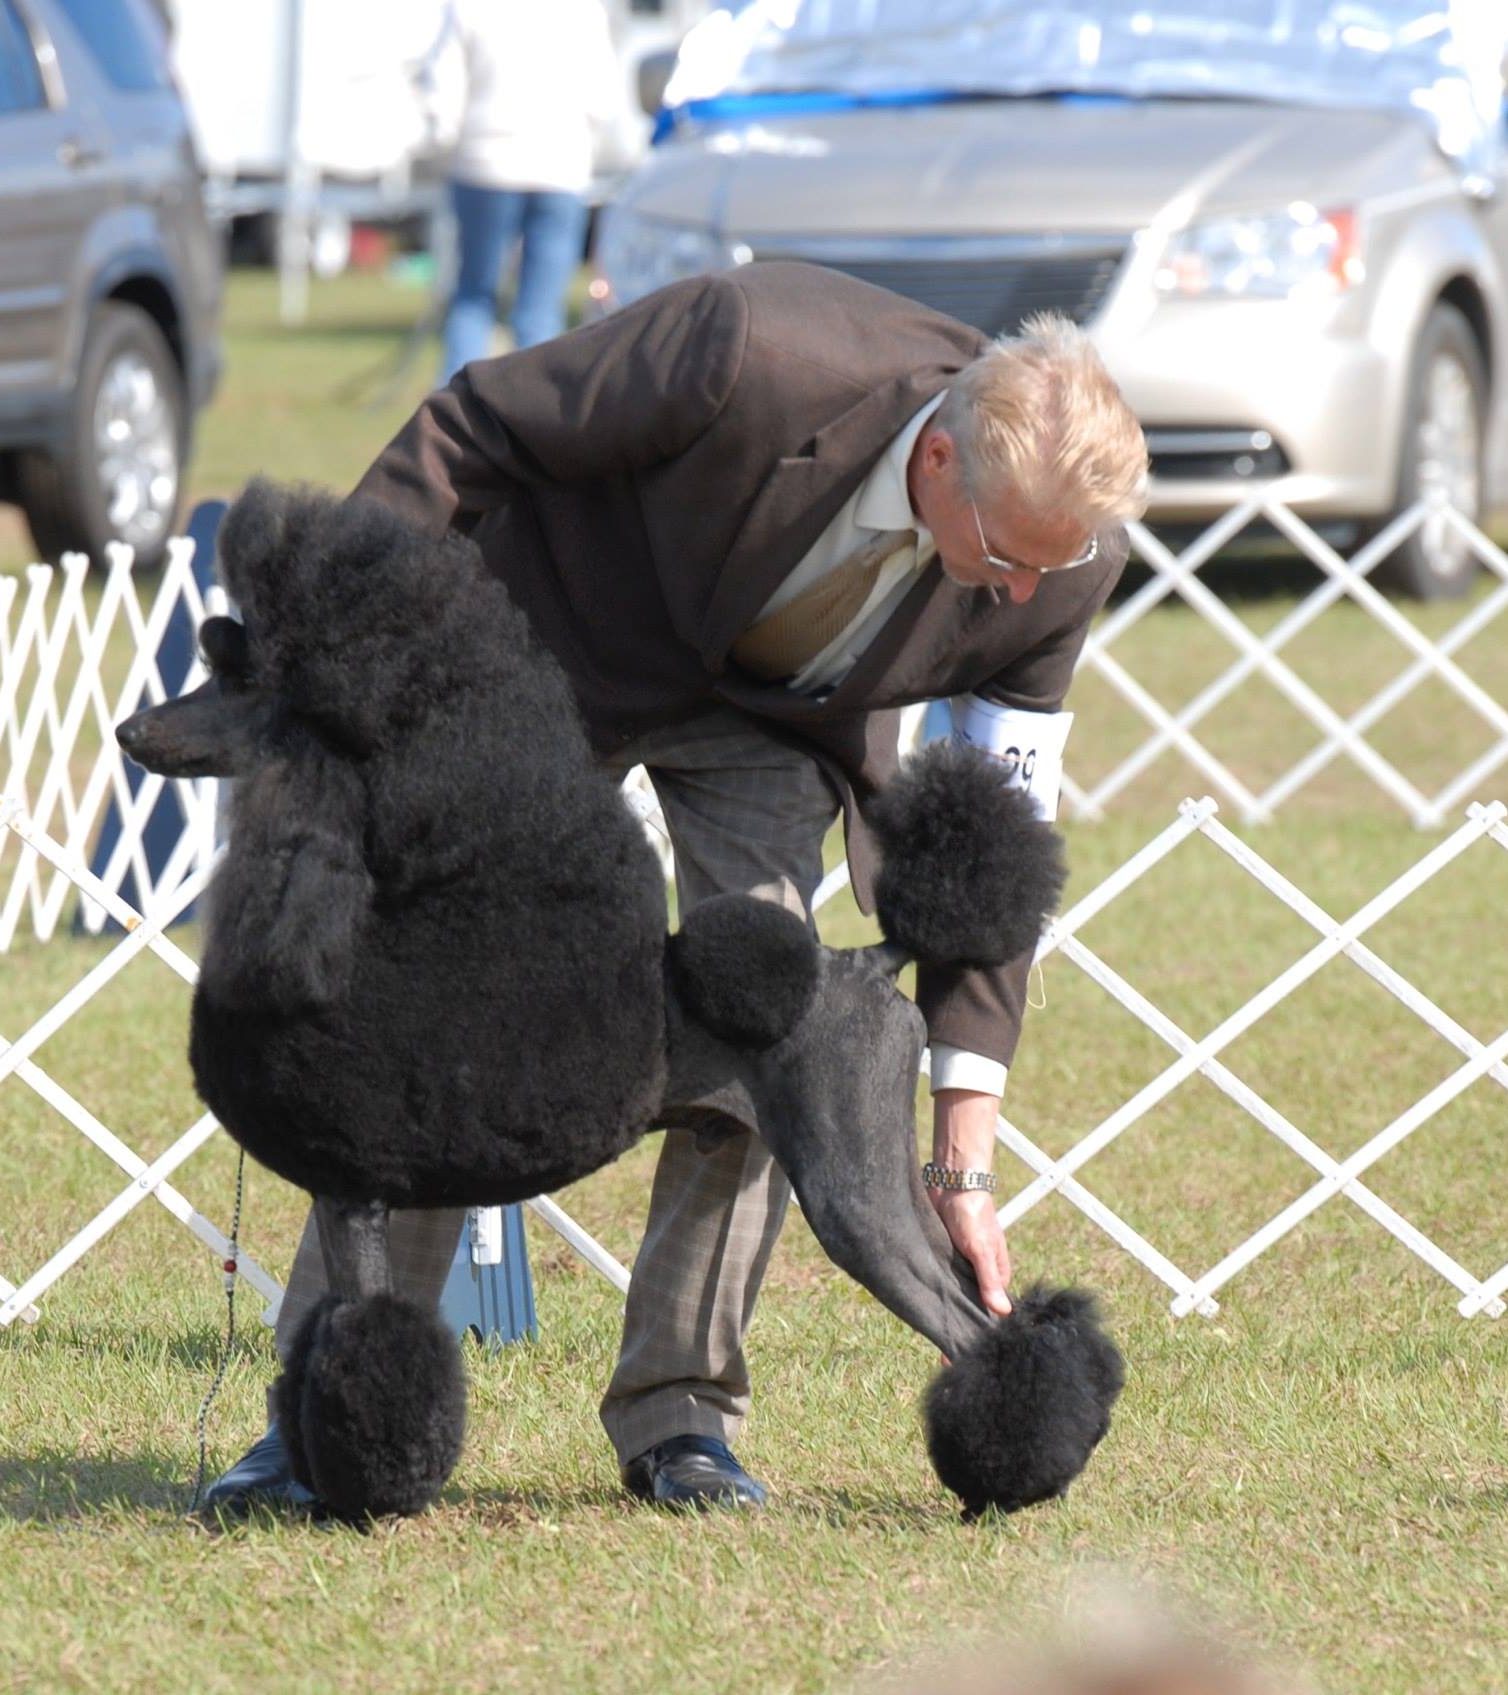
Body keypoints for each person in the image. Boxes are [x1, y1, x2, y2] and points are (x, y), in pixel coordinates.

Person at [205, 260, 1149, 1516]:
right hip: (549, 659)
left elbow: (1000, 837)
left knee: (765, 1014)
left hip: (780, 725)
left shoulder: (1060, 556)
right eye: (1003, 559)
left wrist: (961, 1152)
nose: (1025, 591)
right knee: (431, 1023)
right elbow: (469, 426)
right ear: (938, 466)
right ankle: (321, 1420)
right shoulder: (744, 348)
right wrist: (329, 652)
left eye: (1054, 565)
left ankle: (681, 1420)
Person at [422, 0, 625, 383]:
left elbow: (443, 90)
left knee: (474, 298)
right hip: (560, 169)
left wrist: (442, 144)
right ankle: (535, 417)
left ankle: (450, 420)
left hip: (484, 164)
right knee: (541, 310)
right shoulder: (582, 11)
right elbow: (603, 100)